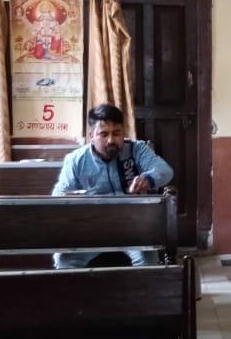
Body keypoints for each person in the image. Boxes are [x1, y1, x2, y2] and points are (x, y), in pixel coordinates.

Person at [52, 103, 174, 268]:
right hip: (91, 227)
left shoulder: (136, 149)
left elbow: (165, 170)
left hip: (133, 225)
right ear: (91, 136)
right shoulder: (75, 160)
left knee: (147, 260)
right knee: (64, 260)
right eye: (104, 134)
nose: (111, 140)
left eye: (117, 133)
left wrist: (148, 178)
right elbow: (59, 196)